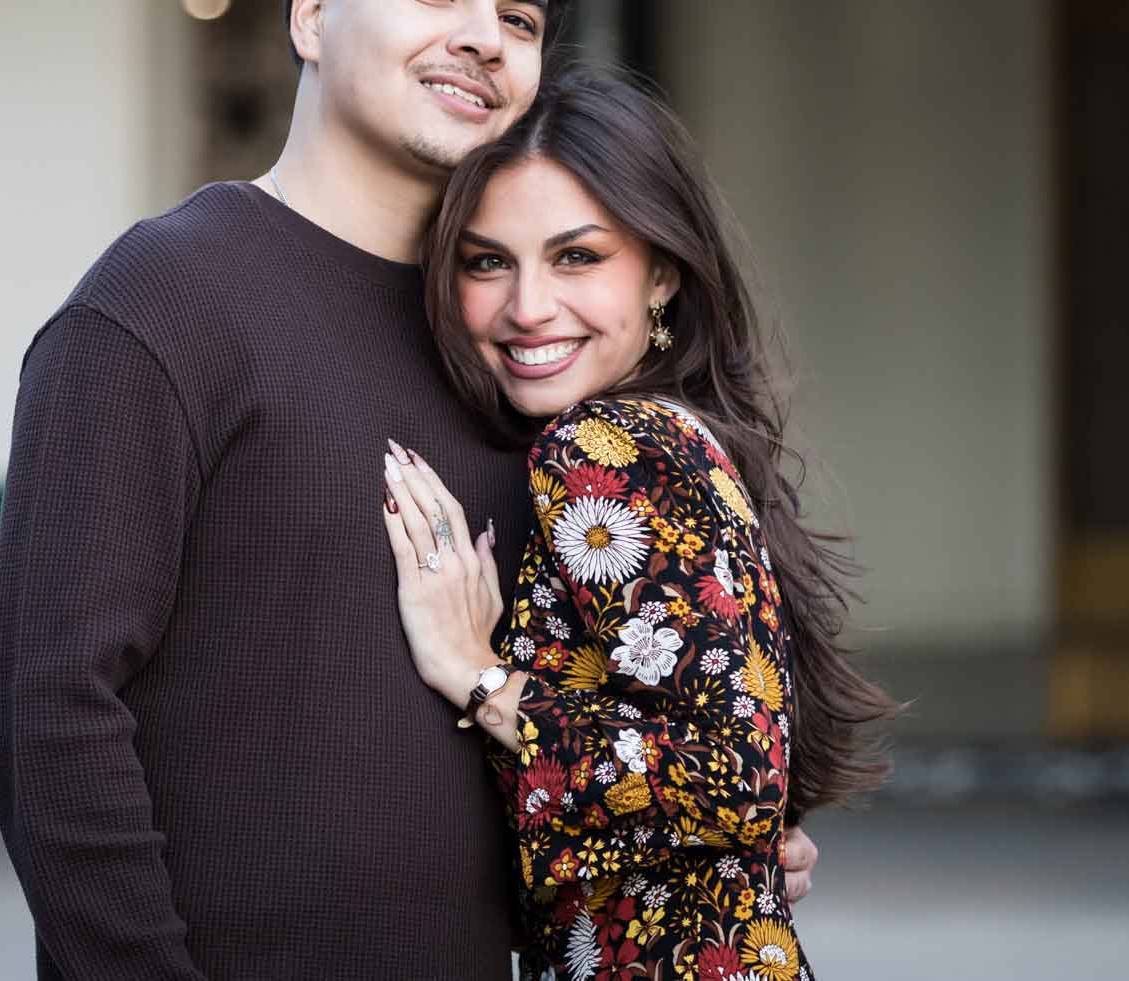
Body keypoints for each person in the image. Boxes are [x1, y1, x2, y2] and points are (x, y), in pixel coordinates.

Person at [0, 0, 816, 981]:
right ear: (311, 14)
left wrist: (690, 840)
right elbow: (47, 711)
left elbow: (602, 702)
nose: (482, 38)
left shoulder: (508, 352)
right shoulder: (162, 301)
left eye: (517, 17)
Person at [377, 67, 896, 981]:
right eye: (487, 260)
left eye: (578, 256)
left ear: (661, 271)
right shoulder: (683, 436)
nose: (528, 306)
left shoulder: (603, 443)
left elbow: (734, 778)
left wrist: (479, 676)